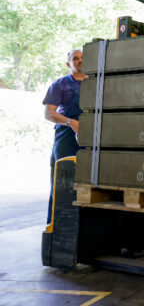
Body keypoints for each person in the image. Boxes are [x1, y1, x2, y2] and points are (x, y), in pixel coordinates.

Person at [42, 49, 86, 224]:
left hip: (90, 138)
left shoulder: (96, 84)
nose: (80, 60)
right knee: (62, 181)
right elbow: (48, 113)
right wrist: (71, 122)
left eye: (82, 57)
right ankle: (55, 226)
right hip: (66, 137)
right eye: (75, 58)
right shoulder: (60, 84)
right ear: (69, 64)